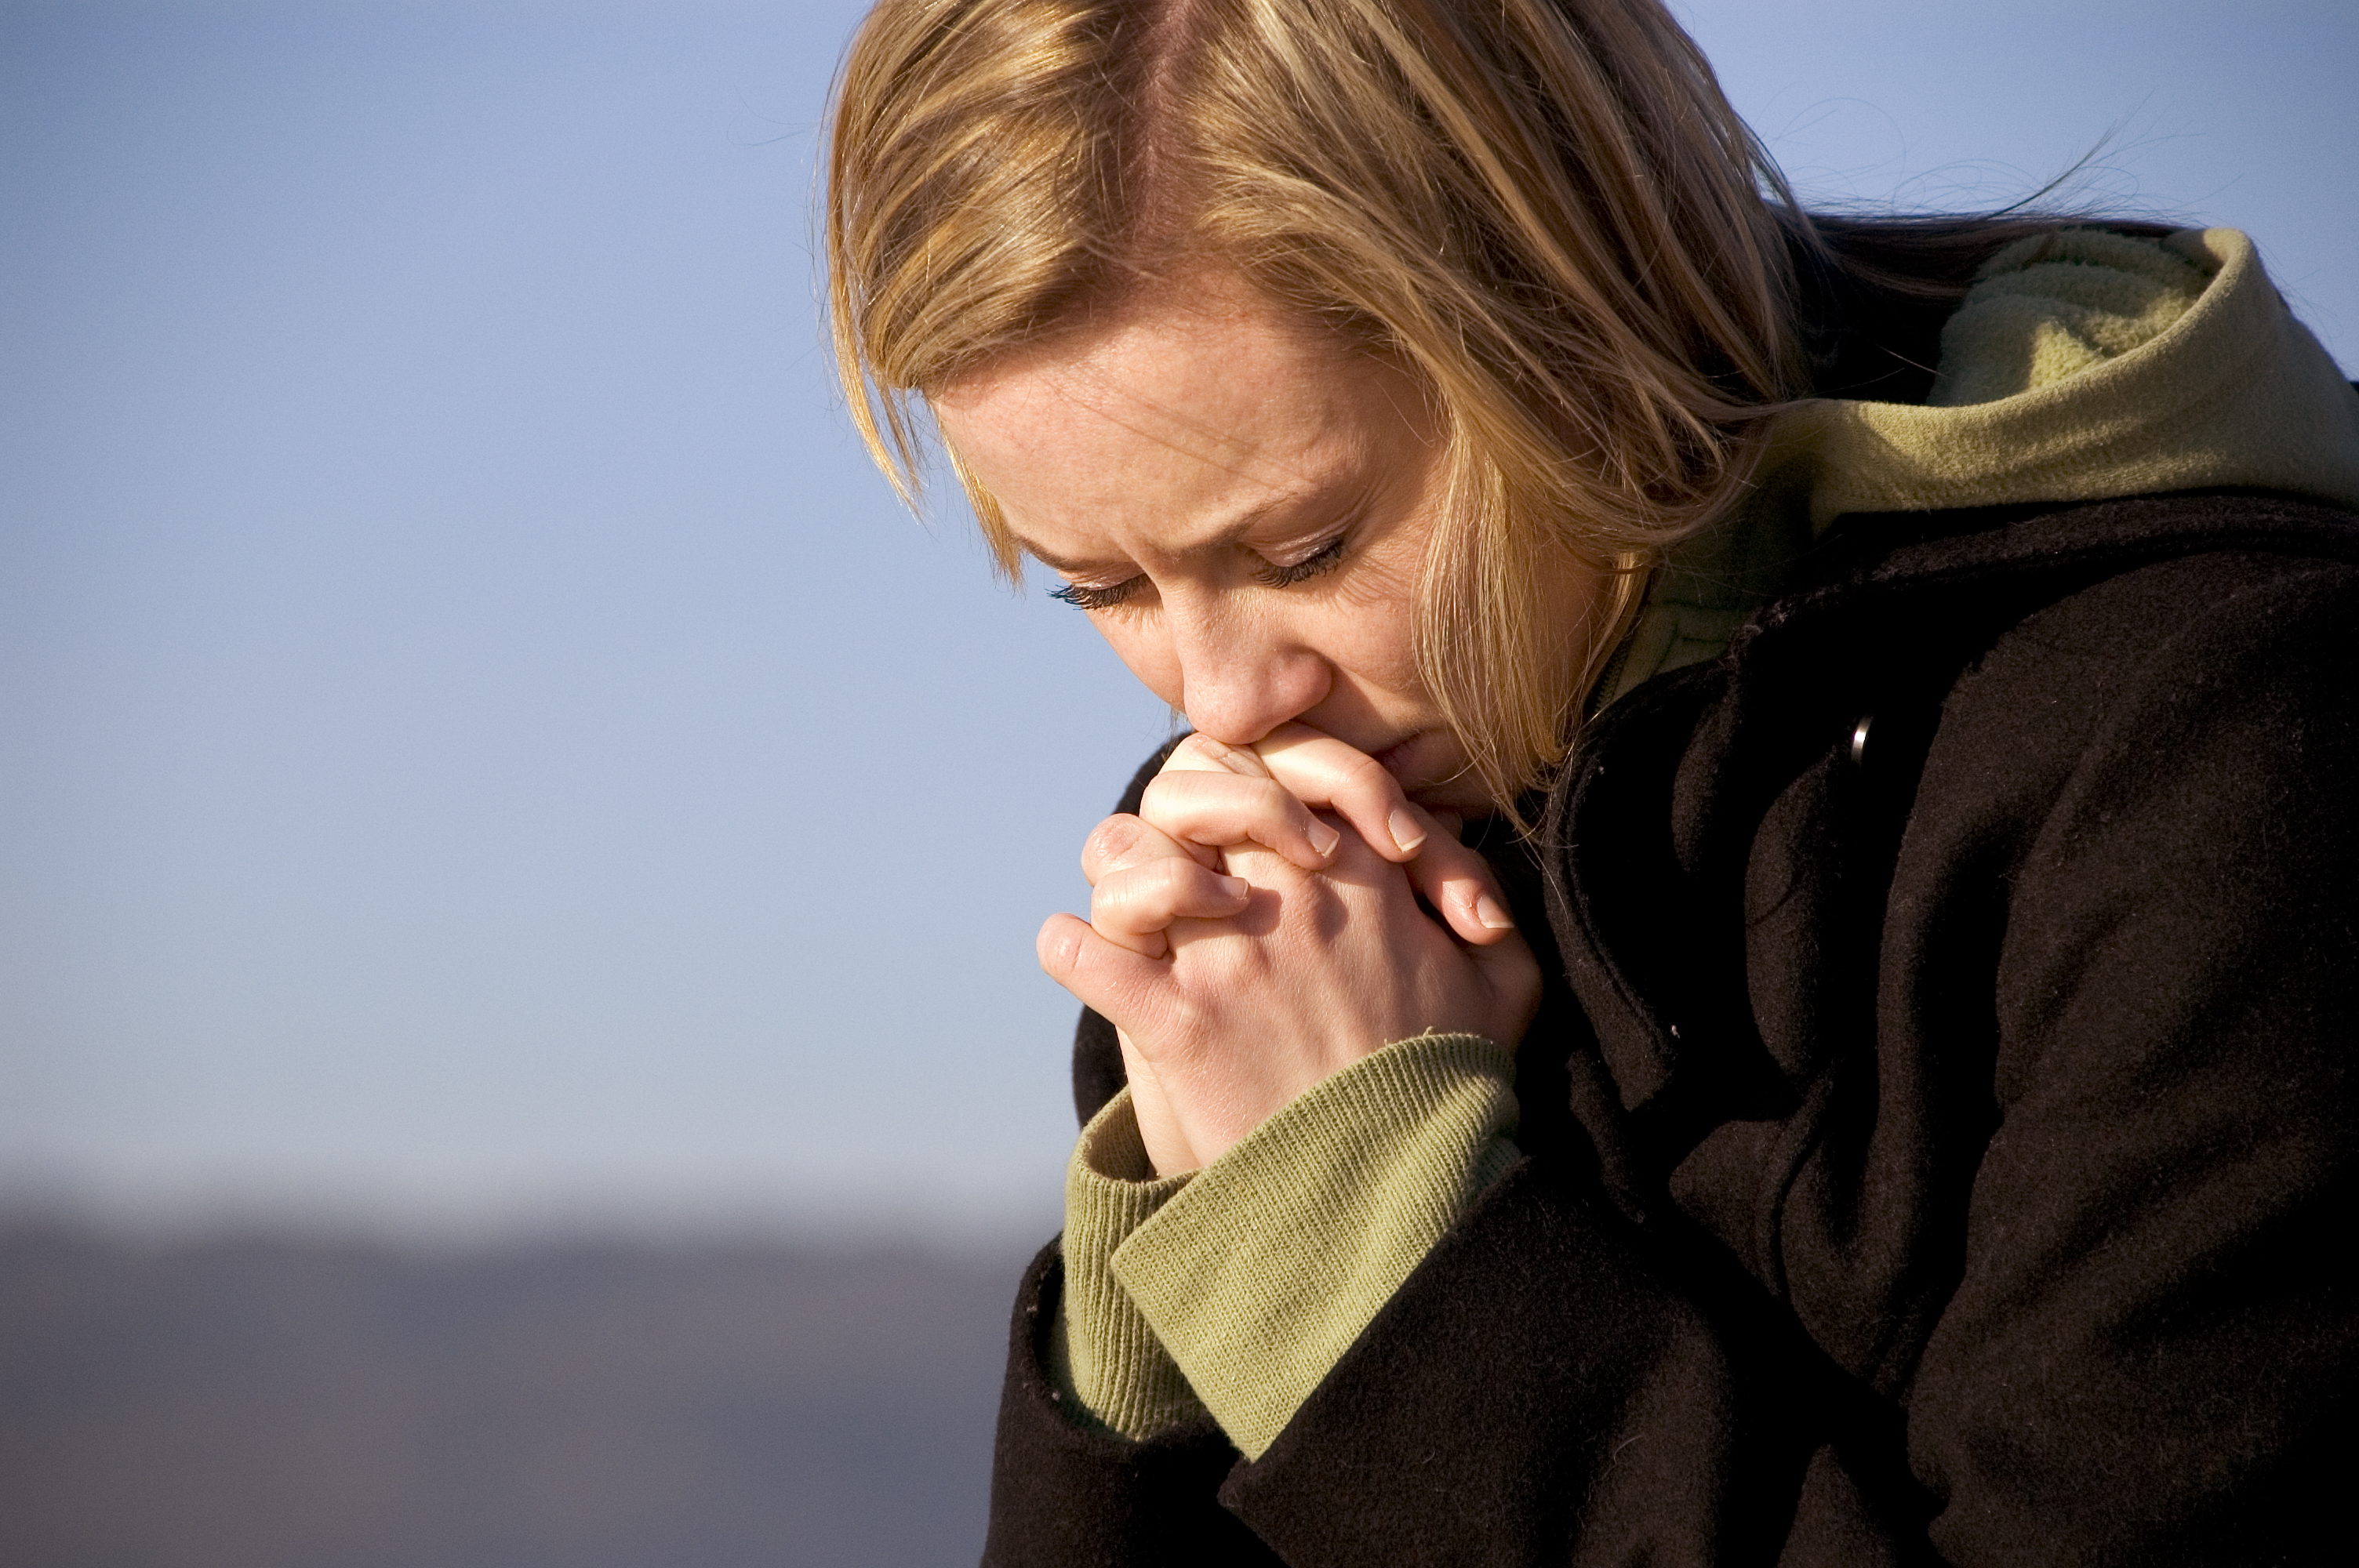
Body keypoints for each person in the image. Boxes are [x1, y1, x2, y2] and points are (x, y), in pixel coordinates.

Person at [824, 1, 2359, 1561]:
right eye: (1104, 588)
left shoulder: (2225, 749)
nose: (1219, 701)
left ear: (1569, 337)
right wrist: (1152, 1318)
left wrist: (1362, 1252)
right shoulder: (1269, 892)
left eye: (1304, 550)